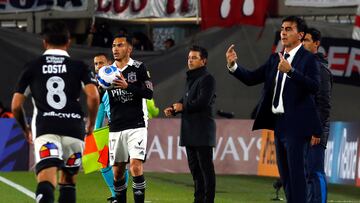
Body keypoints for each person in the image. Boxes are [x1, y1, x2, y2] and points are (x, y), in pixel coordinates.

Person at [225, 16, 322, 203]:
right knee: (285, 176)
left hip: (297, 125)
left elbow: (314, 86)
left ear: (300, 35)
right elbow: (251, 78)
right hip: (279, 124)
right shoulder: (274, 59)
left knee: (297, 175)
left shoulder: (308, 59)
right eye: (282, 29)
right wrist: (233, 65)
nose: (283, 32)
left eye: (289, 29)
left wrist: (291, 71)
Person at [11, 21, 99, 203]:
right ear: (68, 42)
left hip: (46, 128)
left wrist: (25, 128)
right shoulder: (79, 66)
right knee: (68, 182)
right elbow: (93, 96)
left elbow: (15, 105)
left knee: (46, 179)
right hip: (75, 128)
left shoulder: (32, 66)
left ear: (44, 42)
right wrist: (91, 122)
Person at [164, 45, 216, 203]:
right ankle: (198, 199)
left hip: (202, 130)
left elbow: (203, 102)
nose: (190, 60)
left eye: (194, 58)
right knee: (195, 170)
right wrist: (174, 108)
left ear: (204, 61)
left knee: (206, 170)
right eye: (189, 58)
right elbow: (186, 99)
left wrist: (183, 107)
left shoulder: (207, 78)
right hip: (190, 130)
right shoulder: (192, 78)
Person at [108, 34, 153, 203]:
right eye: (113, 45)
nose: (115, 49)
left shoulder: (139, 68)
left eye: (120, 45)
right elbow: (99, 94)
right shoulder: (108, 71)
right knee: (118, 171)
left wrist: (128, 86)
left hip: (137, 124)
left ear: (129, 48)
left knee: (135, 166)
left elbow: (149, 93)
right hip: (116, 126)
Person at [302, 27, 333, 203]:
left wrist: (316, 130)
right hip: (302, 128)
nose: (303, 43)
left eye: (307, 40)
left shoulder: (320, 69)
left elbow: (324, 104)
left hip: (315, 129)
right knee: (306, 173)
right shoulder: (303, 66)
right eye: (302, 40)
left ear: (316, 44)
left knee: (315, 172)